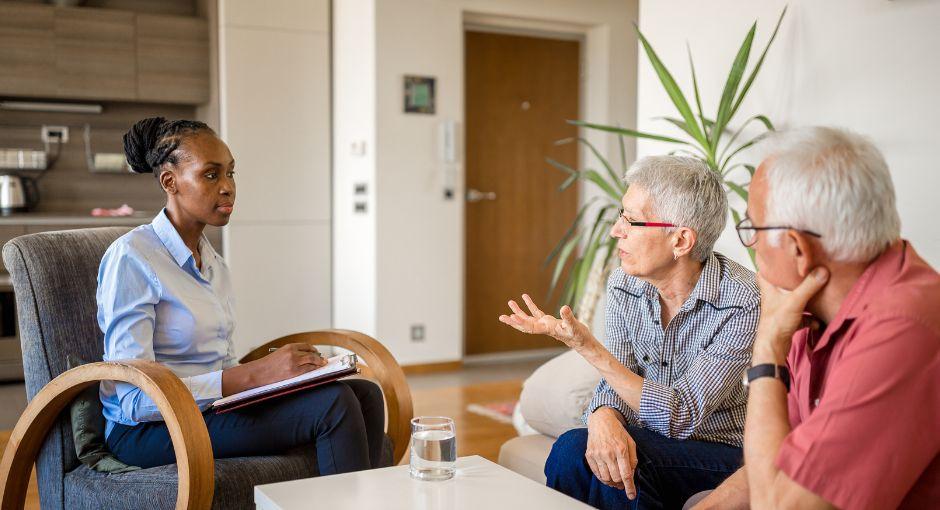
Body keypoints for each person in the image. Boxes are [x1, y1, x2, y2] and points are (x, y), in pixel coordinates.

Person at [99, 117, 385, 474]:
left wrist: (284, 376)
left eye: (231, 174)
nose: (227, 187)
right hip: (149, 429)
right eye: (210, 175)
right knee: (334, 405)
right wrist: (255, 375)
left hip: (213, 407)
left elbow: (222, 362)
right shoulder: (132, 257)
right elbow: (134, 398)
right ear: (169, 182)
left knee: (365, 395)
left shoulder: (214, 264)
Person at [696, 126, 939, 509]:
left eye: (752, 229)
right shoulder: (809, 313)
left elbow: (778, 505)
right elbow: (785, 462)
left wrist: (766, 353)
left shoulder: (904, 327)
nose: (751, 246)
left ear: (797, 248)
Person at [499, 156, 760, 509]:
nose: (615, 231)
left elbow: (680, 416)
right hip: (649, 437)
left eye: (631, 220)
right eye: (620, 215)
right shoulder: (626, 283)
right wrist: (603, 416)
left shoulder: (742, 301)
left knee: (624, 465)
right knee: (573, 451)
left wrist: (587, 346)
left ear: (681, 240)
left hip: (719, 451)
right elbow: (620, 377)